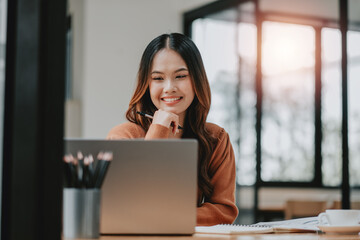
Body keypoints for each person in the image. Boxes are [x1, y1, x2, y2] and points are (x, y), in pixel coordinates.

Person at [107, 33, 238, 226]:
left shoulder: (216, 138)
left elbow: (224, 211)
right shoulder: (123, 136)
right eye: (158, 78)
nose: (169, 87)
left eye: (181, 76)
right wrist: (158, 129)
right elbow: (127, 207)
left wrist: (165, 217)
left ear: (197, 80)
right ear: (147, 84)